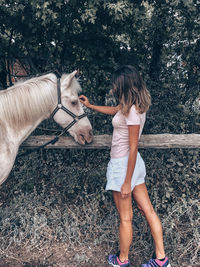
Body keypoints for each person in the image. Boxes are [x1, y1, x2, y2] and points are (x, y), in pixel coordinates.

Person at [79, 65, 171, 267]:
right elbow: (115, 111)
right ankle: (162, 259)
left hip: (124, 166)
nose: (113, 88)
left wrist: (126, 182)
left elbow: (132, 147)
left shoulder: (131, 113)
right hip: (132, 164)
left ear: (124, 86)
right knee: (148, 211)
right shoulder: (133, 106)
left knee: (126, 218)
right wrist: (91, 106)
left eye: (116, 85)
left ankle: (122, 261)